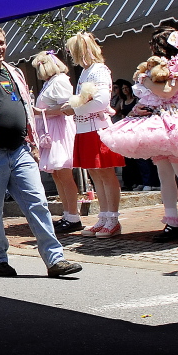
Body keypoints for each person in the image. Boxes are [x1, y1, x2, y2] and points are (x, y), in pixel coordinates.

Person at [0, 24, 81, 278]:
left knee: (38, 203)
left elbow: (25, 107)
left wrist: (32, 144)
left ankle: (55, 260)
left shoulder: (16, 73)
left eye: (2, 42)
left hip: (20, 150)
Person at [100, 27, 178, 243]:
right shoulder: (161, 65)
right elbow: (156, 95)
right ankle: (172, 222)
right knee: (164, 175)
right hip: (158, 120)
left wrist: (145, 81)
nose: (153, 49)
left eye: (155, 44)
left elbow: (168, 92)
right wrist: (138, 107)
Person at [62, 32, 124, 238]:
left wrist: (75, 109)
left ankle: (113, 219)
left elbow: (101, 102)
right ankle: (104, 216)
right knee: (95, 175)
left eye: (73, 51)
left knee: (106, 173)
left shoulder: (99, 71)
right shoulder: (86, 72)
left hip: (97, 128)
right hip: (84, 128)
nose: (71, 55)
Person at [30, 51, 80, 233]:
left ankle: (74, 216)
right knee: (57, 175)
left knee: (64, 174)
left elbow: (66, 107)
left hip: (59, 130)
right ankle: (67, 214)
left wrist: (40, 112)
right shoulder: (50, 82)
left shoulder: (59, 81)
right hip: (50, 130)